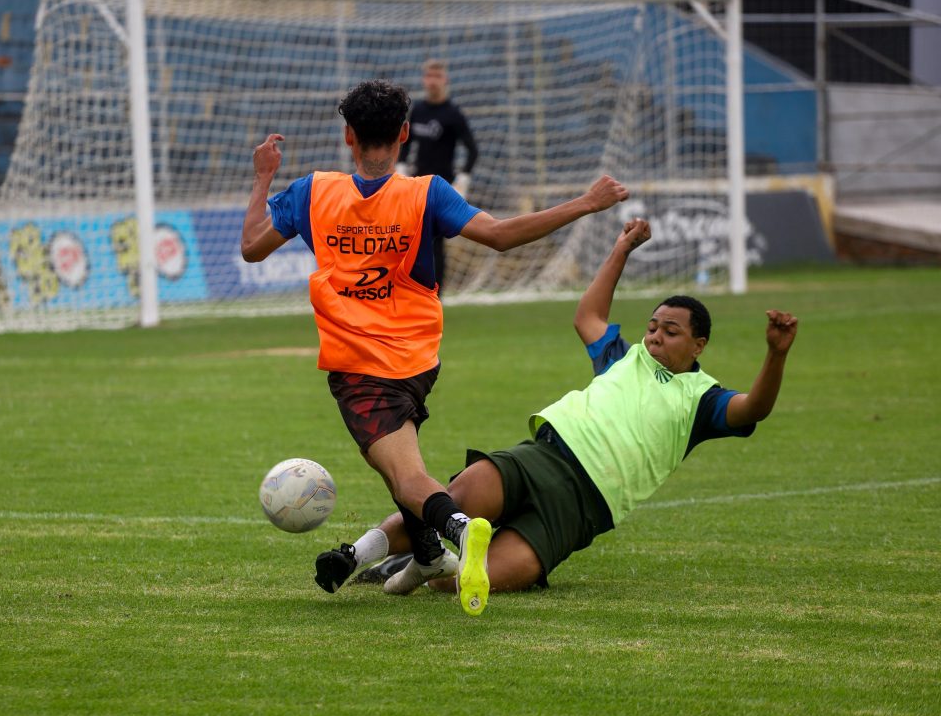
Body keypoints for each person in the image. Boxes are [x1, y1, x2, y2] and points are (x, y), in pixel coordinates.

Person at [240, 79, 628, 615]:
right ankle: (424, 552)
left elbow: (251, 247)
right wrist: (586, 203)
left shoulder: (313, 191)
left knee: (405, 475)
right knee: (398, 466)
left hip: (360, 366)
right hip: (419, 359)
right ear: (404, 134)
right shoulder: (427, 193)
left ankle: (461, 532)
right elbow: (501, 235)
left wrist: (263, 177)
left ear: (348, 135)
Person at [338, 218, 799, 602]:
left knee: (459, 584)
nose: (656, 335)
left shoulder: (703, 399)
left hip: (579, 509)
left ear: (699, 344)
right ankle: (361, 554)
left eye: (671, 332)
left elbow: (752, 409)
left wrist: (776, 354)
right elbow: (587, 318)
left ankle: (423, 565)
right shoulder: (625, 356)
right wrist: (621, 250)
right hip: (541, 457)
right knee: (451, 502)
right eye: (654, 326)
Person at [395, 59, 478, 294]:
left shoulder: (453, 114)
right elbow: (405, 142)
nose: (432, 81)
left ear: (445, 80)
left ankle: (434, 296)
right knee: (410, 240)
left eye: (437, 76)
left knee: (435, 242)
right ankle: (408, 291)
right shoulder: (418, 110)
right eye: (428, 76)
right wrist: (401, 167)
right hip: (416, 185)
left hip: (440, 188)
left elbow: (472, 149)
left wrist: (462, 180)